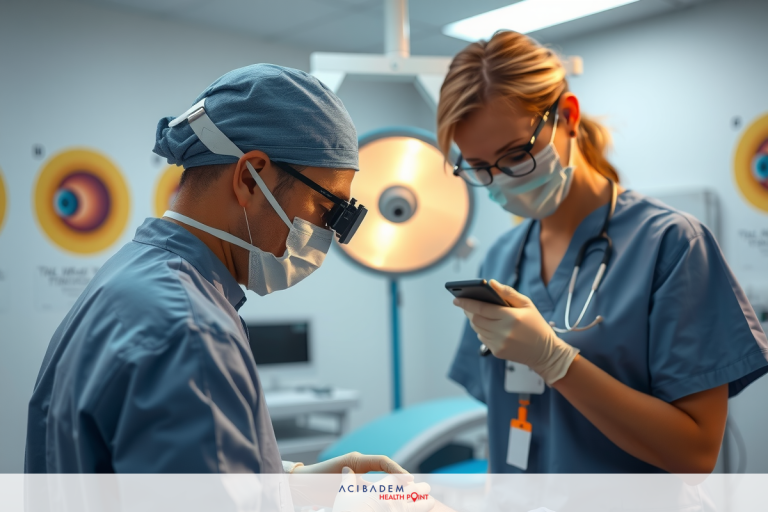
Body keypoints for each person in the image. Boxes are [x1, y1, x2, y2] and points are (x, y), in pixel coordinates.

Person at [25, 63, 400, 475]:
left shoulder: (129, 277)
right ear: (251, 179)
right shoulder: (190, 331)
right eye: (330, 210)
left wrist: (286, 484)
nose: (329, 233)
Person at [439, 31, 768, 473]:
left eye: (517, 154)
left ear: (568, 117)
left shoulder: (671, 246)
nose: (500, 179)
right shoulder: (502, 259)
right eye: (479, 168)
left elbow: (696, 452)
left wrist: (555, 360)